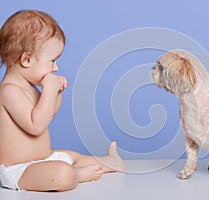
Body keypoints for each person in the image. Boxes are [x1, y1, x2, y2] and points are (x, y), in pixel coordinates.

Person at [0, 10, 124, 192]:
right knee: (62, 173)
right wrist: (49, 89)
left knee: (70, 155)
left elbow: (48, 112)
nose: (55, 67)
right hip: (20, 171)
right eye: (52, 61)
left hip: (43, 160)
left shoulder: (29, 86)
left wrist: (57, 94)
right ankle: (78, 175)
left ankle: (110, 162)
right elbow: (36, 126)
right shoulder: (9, 91)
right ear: (27, 60)